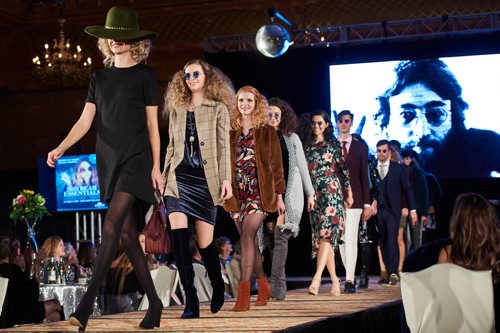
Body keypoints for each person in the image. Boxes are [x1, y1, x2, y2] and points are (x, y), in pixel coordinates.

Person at [46, 6, 163, 330]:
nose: (114, 41)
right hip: (107, 160)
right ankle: (154, 303)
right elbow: (85, 121)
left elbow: (153, 125)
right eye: (110, 36)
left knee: (111, 224)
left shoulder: (145, 75)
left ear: (135, 41)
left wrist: (157, 166)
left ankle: (84, 308)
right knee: (126, 235)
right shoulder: (98, 77)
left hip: (136, 159)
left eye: (121, 36)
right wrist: (61, 147)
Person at [162, 58, 234, 318]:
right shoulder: (177, 108)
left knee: (205, 243)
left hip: (206, 180)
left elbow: (224, 148)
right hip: (178, 179)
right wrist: (163, 176)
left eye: (195, 73)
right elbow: (171, 146)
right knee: (179, 241)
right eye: (186, 74)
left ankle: (217, 283)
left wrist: (226, 179)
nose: (190, 78)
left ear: (207, 76)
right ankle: (190, 300)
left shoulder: (218, 109)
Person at [375, 59, 500, 178]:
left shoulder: (483, 147)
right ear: (386, 124)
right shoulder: (372, 164)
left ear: (455, 118)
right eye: (406, 115)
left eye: (436, 115)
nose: (422, 133)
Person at [223, 85, 285, 311]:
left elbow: (276, 165)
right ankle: (264, 285)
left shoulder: (267, 131)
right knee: (249, 243)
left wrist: (280, 196)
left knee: (248, 235)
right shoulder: (230, 130)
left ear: (257, 103)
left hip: (259, 193)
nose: (244, 104)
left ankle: (244, 293)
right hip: (237, 194)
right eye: (241, 100)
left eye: (249, 100)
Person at [265, 97, 315, 300]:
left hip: (288, 194)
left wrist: (310, 192)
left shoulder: (291, 138)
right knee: (269, 240)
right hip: (266, 195)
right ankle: (276, 281)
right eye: (270, 114)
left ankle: (278, 286)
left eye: (277, 114)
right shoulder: (259, 137)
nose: (274, 118)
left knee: (281, 237)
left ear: (283, 116)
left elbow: (302, 167)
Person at [304, 109, 353, 296]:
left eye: (320, 123)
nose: (316, 126)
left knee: (326, 236)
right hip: (314, 196)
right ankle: (334, 281)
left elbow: (344, 170)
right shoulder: (307, 147)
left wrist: (349, 193)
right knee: (324, 240)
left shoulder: (333, 145)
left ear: (326, 125)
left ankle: (316, 279)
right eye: (314, 123)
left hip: (332, 193)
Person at [336, 110, 372, 294]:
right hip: (335, 199)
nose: (343, 124)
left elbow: (364, 177)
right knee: (341, 240)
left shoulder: (360, 148)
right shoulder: (332, 145)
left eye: (346, 121)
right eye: (340, 121)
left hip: (356, 199)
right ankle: (349, 274)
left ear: (351, 123)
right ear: (337, 123)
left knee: (350, 238)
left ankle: (349, 279)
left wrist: (367, 203)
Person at [375, 140, 417, 285]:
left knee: (393, 241)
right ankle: (387, 270)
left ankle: (393, 272)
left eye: (384, 151)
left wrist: (412, 210)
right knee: (382, 241)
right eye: (379, 151)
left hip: (393, 211)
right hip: (378, 211)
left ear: (389, 152)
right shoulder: (372, 167)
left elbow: (408, 189)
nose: (381, 153)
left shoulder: (398, 168)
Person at [0, 237, 62, 327]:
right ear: (11, 253)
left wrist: (27, 266)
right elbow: (33, 294)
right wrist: (36, 263)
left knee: (55, 315)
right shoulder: (12, 269)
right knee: (55, 303)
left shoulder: (10, 270)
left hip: (9, 314)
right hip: (15, 316)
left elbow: (24, 287)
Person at [401, 149, 429, 251]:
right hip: (403, 209)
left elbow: (424, 194)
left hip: (416, 210)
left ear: (412, 159)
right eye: (403, 158)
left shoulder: (418, 174)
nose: (404, 161)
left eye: (407, 159)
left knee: (416, 239)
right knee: (405, 239)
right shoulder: (399, 172)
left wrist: (424, 213)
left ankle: (416, 262)